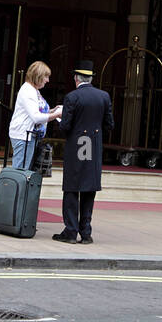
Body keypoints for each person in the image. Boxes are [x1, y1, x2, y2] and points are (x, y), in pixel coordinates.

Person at [53, 59, 113, 244]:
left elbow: (65, 127)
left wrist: (59, 119)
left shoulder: (72, 97)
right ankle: (86, 232)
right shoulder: (104, 96)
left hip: (78, 145)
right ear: (90, 78)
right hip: (92, 145)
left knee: (72, 187)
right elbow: (109, 125)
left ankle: (71, 231)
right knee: (89, 187)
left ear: (76, 79)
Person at [8, 61, 60, 169]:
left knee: (24, 170)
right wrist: (57, 114)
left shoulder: (34, 90)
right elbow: (36, 117)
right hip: (24, 136)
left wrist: (52, 111)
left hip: (29, 136)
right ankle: (17, 187)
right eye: (46, 76)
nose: (47, 80)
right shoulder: (28, 91)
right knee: (20, 171)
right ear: (38, 76)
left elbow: (35, 111)